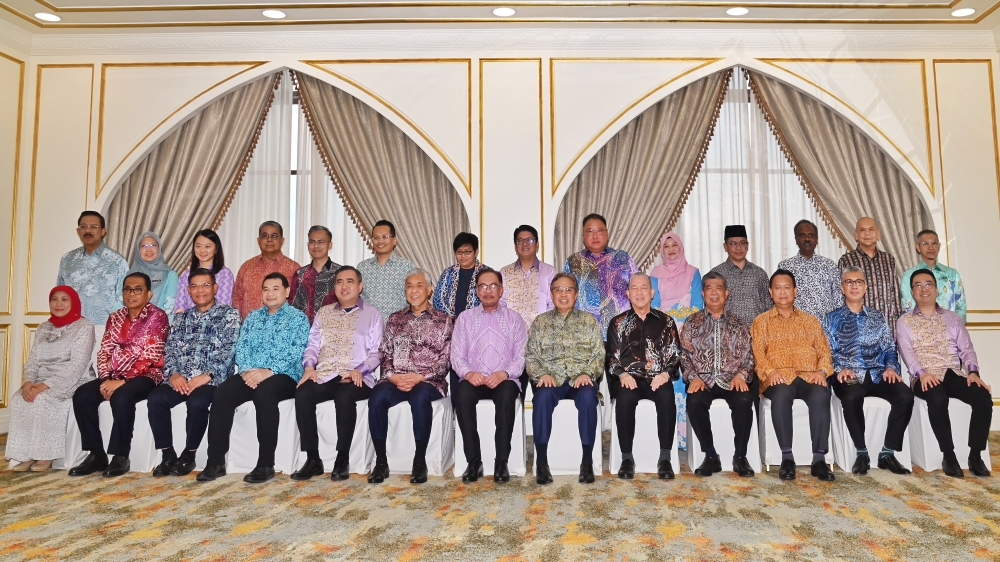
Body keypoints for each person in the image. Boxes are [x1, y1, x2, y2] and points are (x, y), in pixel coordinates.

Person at [197, 272, 310, 483]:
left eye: (276, 289)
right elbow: (241, 348)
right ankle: (215, 462)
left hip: (284, 375)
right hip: (251, 373)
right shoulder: (253, 317)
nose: (270, 293)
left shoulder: (299, 318)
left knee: (264, 392)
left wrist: (269, 371)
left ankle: (265, 464)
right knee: (222, 392)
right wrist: (247, 371)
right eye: (266, 289)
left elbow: (296, 352)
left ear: (287, 292)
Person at [69, 272, 170, 477]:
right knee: (82, 395)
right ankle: (96, 454)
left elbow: (151, 356)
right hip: (114, 375)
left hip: (147, 375)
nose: (131, 294)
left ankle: (120, 456)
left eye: (138, 289)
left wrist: (122, 380)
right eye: (127, 289)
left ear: (149, 294)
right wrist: (106, 378)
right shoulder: (115, 317)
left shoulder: (158, 317)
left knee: (122, 396)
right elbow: (105, 351)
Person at [897, 269, 992, 478]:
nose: (924, 289)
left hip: (952, 373)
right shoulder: (904, 321)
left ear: (936, 289)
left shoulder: (953, 318)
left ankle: (975, 456)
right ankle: (948, 456)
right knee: (938, 397)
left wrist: (973, 372)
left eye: (928, 284)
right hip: (924, 376)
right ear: (912, 291)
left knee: (983, 397)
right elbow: (907, 351)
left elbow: (966, 349)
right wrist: (921, 373)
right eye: (918, 285)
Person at [147, 268, 241, 477]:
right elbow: (170, 349)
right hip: (181, 378)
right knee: (155, 399)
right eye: (195, 286)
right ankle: (167, 454)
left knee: (197, 402)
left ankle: (189, 455)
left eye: (206, 285)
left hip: (212, 380)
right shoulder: (181, 318)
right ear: (188, 290)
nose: (200, 290)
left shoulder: (229, 314)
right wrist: (173, 374)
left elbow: (229, 350)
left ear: (215, 288)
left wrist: (207, 375)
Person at [292, 266, 383, 482]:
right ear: (334, 287)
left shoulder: (373, 314)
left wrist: (359, 370)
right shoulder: (324, 313)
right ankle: (313, 459)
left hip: (357, 376)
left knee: (344, 396)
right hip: (325, 374)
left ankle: (342, 459)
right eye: (339, 282)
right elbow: (312, 346)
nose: (344, 286)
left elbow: (377, 352)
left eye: (350, 281)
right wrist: (309, 367)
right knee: (303, 393)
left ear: (360, 287)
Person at [823, 266, 913, 476]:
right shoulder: (831, 318)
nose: (854, 286)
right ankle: (862, 453)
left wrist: (891, 367)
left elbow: (889, 348)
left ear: (865, 287)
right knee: (852, 395)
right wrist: (840, 368)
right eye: (849, 282)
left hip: (877, 373)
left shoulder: (877, 317)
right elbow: (827, 351)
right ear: (842, 288)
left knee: (905, 395)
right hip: (848, 374)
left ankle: (887, 453)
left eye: (859, 282)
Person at [368, 269, 454, 485]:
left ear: (429, 289)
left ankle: (419, 461)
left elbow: (446, 360)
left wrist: (421, 377)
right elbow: (385, 353)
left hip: (429, 382)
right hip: (397, 379)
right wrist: (392, 377)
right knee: (377, 396)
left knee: (420, 396)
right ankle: (381, 462)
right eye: (409, 286)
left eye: (419, 285)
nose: (413, 290)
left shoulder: (444, 320)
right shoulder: (395, 318)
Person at [751, 269, 836, 482]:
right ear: (770, 292)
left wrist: (822, 371)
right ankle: (787, 457)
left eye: (787, 287)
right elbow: (758, 354)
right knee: (781, 393)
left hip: (808, 376)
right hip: (777, 377)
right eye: (778, 288)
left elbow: (825, 352)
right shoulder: (761, 321)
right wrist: (770, 372)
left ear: (795, 291)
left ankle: (819, 459)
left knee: (820, 393)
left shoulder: (810, 321)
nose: (782, 292)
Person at [526, 273, 605, 485]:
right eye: (558, 290)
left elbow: (599, 355)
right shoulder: (540, 322)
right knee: (542, 397)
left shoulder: (589, 321)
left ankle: (586, 461)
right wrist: (542, 374)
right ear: (551, 294)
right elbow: (531, 356)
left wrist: (587, 373)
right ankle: (542, 462)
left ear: (576, 294)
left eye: (568, 290)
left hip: (580, 381)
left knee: (588, 397)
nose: (563, 294)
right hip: (551, 381)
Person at [6, 287, 94, 473]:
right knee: (19, 398)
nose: (58, 304)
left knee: (45, 399)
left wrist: (44, 386)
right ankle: (25, 454)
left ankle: (45, 456)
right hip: (41, 380)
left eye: (64, 299)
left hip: (73, 379)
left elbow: (77, 365)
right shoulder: (43, 327)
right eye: (54, 299)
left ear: (74, 302)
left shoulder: (84, 327)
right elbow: (32, 361)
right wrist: (28, 383)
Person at [452, 269, 528, 483]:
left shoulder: (514, 319)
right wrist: (468, 373)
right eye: (483, 286)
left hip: (504, 379)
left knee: (507, 394)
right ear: (477, 291)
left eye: (493, 285)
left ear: (501, 290)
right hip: (474, 378)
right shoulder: (465, 319)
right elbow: (456, 355)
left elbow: (522, 356)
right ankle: (473, 462)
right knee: (462, 393)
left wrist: (504, 373)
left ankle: (501, 462)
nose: (488, 290)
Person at [680, 271, 757, 478]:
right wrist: (693, 376)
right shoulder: (692, 322)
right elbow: (684, 355)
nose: (714, 293)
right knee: (694, 401)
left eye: (719, 288)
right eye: (709, 288)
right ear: (703, 293)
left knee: (744, 400)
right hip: (703, 380)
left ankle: (740, 456)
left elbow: (749, 356)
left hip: (731, 380)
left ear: (726, 293)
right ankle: (711, 455)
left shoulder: (739, 324)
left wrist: (741, 375)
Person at [606, 273, 681, 480]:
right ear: (628, 294)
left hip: (657, 378)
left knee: (667, 396)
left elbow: (676, 354)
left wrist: (666, 373)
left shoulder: (666, 322)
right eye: (634, 288)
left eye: (644, 288)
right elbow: (611, 357)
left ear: (652, 292)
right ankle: (626, 459)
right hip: (629, 379)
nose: (639, 292)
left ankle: (665, 459)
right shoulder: (617, 323)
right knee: (624, 398)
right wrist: (622, 374)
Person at [649, 231, 703, 451]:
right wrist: (671, 327)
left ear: (681, 247)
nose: (671, 249)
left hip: (689, 336)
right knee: (668, 384)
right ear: (661, 250)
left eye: (675, 245)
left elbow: (698, 306)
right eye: (666, 246)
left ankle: (686, 438)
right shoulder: (655, 274)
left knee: (687, 381)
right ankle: (669, 438)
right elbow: (654, 307)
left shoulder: (693, 272)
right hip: (663, 337)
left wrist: (683, 327)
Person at [563, 213, 637, 334]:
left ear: (607, 233)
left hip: (621, 331)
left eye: (599, 231)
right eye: (590, 231)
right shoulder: (573, 262)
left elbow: (637, 289)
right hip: (583, 333)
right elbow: (565, 295)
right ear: (583, 235)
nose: (595, 236)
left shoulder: (623, 258)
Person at [57, 211, 129, 326]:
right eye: (83, 227)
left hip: (105, 328)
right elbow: (59, 295)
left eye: (94, 227)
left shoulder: (117, 261)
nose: (88, 230)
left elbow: (124, 299)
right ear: (78, 231)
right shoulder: (67, 260)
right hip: (71, 327)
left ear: (103, 231)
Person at [838, 217, 902, 331]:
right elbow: (841, 296)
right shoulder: (846, 261)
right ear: (856, 235)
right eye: (862, 230)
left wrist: (899, 322)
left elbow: (895, 294)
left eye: (871, 229)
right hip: (859, 327)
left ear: (878, 234)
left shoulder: (889, 259)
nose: (867, 233)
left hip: (888, 325)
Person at [232, 221, 300, 319]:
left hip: (284, 326)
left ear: (282, 240)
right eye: (265, 236)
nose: (269, 240)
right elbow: (237, 298)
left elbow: (299, 302)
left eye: (274, 236)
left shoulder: (294, 268)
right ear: (258, 240)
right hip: (250, 326)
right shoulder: (246, 267)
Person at [777, 220, 842, 322]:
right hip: (795, 326)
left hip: (825, 327)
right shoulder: (785, 267)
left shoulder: (829, 265)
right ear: (796, 240)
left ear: (817, 239)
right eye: (802, 235)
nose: (807, 239)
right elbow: (780, 299)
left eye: (811, 235)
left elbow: (838, 300)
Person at [709, 225, 771, 326]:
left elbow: (769, 306)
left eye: (742, 243)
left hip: (756, 332)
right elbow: (710, 308)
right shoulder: (716, 274)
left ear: (747, 245)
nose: (738, 247)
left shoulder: (759, 273)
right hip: (725, 332)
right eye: (733, 243)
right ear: (725, 247)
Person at [900, 229, 966, 323]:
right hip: (919, 328)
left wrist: (956, 328)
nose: (930, 247)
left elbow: (961, 307)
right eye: (925, 243)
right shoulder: (908, 276)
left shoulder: (952, 274)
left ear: (939, 246)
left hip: (949, 328)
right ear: (918, 247)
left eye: (933, 243)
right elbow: (907, 307)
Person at [357, 220, 416, 322]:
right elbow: (357, 299)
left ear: (394, 241)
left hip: (398, 326)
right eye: (376, 238)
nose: (380, 241)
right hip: (368, 325)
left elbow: (414, 298)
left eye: (385, 237)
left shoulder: (407, 267)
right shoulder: (362, 267)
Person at [499, 225, 555, 328]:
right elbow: (501, 303)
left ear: (537, 244)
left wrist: (542, 327)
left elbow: (552, 303)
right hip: (511, 331)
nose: (525, 243)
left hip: (541, 331)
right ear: (515, 246)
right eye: (520, 240)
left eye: (530, 240)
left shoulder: (549, 271)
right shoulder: (505, 272)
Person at [289, 225, 341, 323]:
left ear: (330, 245)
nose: (316, 246)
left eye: (321, 242)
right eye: (312, 242)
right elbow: (292, 307)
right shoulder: (300, 274)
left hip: (334, 328)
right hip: (304, 329)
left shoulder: (341, 273)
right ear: (308, 245)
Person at [174, 229, 234, 314]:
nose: (202, 250)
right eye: (198, 246)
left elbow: (223, 306)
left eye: (207, 246)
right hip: (188, 320)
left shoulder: (225, 274)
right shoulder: (186, 274)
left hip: (216, 320)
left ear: (216, 249)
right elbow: (179, 305)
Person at [433, 232, 489, 317]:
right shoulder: (448, 273)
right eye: (459, 252)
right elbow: (438, 301)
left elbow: (491, 300)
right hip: (450, 322)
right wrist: (452, 319)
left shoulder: (486, 273)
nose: (463, 256)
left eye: (467, 252)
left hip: (479, 321)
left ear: (476, 252)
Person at [128, 231, 179, 322]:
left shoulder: (170, 275)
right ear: (138, 250)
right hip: (130, 325)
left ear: (159, 249)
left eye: (153, 245)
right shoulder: (128, 276)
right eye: (143, 246)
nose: (148, 249)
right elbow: (120, 304)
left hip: (159, 325)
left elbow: (169, 307)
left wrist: (151, 325)